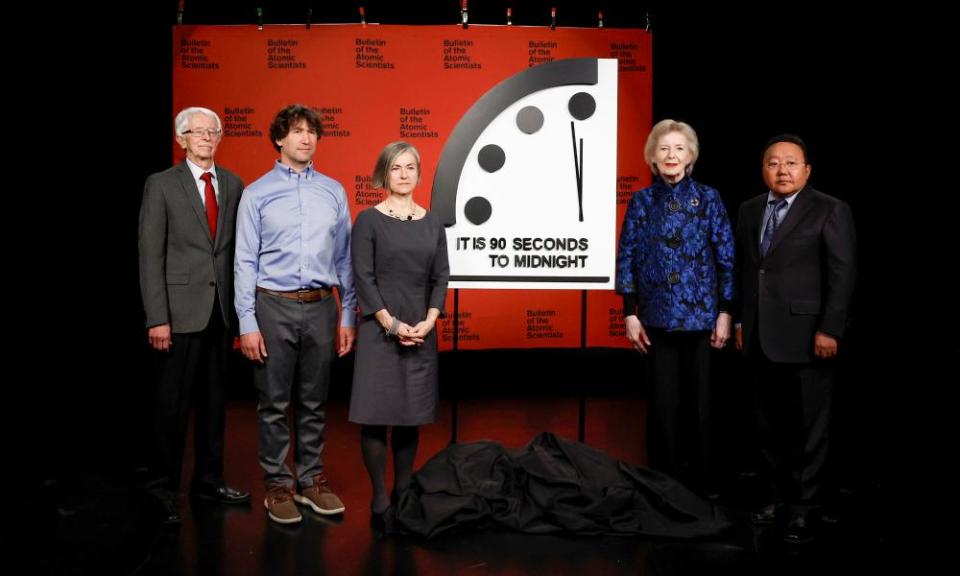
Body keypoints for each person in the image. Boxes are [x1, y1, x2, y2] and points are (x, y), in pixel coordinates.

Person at [234, 104, 357, 525]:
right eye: (297, 131)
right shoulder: (257, 193)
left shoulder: (334, 191)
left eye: (312, 132)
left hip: (322, 307)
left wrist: (348, 316)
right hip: (273, 306)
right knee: (273, 402)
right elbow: (244, 261)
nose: (306, 138)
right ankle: (277, 485)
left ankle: (310, 481)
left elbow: (344, 259)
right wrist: (247, 322)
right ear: (279, 140)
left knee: (314, 400)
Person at [734, 134, 856, 544]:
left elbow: (842, 274)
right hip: (758, 336)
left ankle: (803, 507)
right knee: (767, 426)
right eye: (773, 163)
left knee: (808, 426)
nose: (782, 170)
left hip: (809, 337)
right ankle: (772, 498)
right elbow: (748, 272)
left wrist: (830, 328)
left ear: (807, 170)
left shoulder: (830, 209)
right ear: (763, 169)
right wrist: (739, 323)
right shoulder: (750, 210)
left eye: (790, 163)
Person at [139, 106, 250, 525]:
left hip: (220, 313)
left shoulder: (235, 184)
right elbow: (150, 254)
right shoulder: (161, 185)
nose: (205, 137)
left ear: (219, 138)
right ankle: (162, 489)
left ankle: (209, 481)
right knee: (171, 406)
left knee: (215, 404)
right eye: (196, 131)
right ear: (181, 139)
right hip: (177, 316)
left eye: (212, 131)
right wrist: (157, 317)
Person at [615, 119, 735, 497]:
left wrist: (726, 312)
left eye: (679, 148)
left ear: (691, 156)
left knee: (701, 405)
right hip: (655, 318)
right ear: (652, 157)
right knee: (661, 406)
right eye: (664, 149)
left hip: (701, 318)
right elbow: (627, 255)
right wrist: (630, 312)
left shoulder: (710, 198)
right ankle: (662, 483)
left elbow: (726, 257)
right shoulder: (642, 200)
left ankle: (703, 481)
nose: (671, 155)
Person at [349, 141, 449, 530]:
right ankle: (378, 496)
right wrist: (391, 324)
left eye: (410, 168)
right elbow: (364, 278)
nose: (404, 175)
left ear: (419, 174)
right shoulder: (368, 221)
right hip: (380, 331)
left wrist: (429, 321)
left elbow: (441, 276)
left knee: (409, 417)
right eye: (396, 168)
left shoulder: (432, 222)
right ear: (384, 174)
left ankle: (403, 490)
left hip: (421, 330)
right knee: (376, 418)